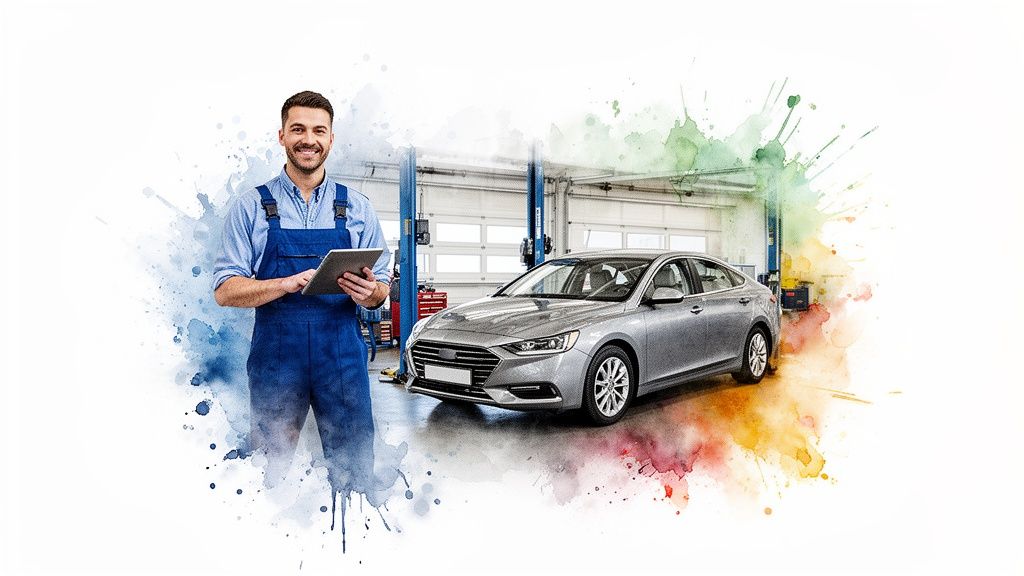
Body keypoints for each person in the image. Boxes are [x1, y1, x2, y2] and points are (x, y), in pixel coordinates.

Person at [212, 91, 390, 493]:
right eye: (298, 129)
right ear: (282, 136)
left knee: (354, 468)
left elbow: (381, 289)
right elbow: (225, 289)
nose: (308, 139)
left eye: (318, 131)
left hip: (341, 357)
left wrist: (371, 294)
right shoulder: (250, 207)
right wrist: (284, 284)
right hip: (277, 359)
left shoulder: (358, 208)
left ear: (331, 139)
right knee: (267, 471)